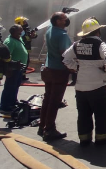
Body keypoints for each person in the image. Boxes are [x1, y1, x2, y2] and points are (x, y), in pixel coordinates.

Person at [63, 17, 106, 146]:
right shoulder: (100, 44)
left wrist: (76, 67)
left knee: (83, 114)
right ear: (97, 31)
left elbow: (64, 58)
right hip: (97, 86)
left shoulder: (76, 44)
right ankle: (102, 138)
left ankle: (84, 139)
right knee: (103, 111)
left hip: (80, 87)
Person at [39, 12, 72, 141]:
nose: (66, 20)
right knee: (55, 101)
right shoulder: (62, 35)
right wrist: (73, 67)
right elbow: (65, 54)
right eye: (64, 19)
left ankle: (42, 126)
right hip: (59, 71)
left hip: (49, 69)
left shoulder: (50, 30)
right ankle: (50, 130)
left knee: (47, 99)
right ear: (58, 21)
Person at [0, 25, 28, 115]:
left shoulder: (18, 39)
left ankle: (13, 102)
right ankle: (5, 107)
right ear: (14, 32)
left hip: (19, 69)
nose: (21, 32)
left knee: (15, 86)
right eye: (20, 31)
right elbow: (6, 56)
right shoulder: (10, 42)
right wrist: (9, 67)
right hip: (12, 69)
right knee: (9, 87)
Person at [15, 16, 38, 82]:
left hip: (26, 49)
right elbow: (23, 38)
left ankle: (23, 75)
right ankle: (20, 76)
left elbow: (34, 36)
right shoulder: (18, 30)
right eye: (24, 21)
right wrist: (29, 36)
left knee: (26, 62)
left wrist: (33, 35)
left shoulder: (26, 29)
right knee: (22, 62)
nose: (26, 23)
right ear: (20, 22)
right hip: (22, 49)